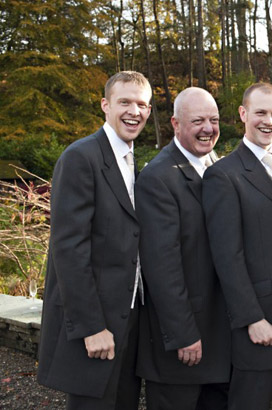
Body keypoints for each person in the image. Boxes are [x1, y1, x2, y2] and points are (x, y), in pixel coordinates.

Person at [37, 71, 151, 409]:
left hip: (129, 314)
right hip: (95, 321)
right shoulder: (81, 157)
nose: (135, 111)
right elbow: (68, 249)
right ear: (105, 105)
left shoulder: (131, 162)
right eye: (125, 102)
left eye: (142, 104)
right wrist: (91, 327)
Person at [202, 83, 272, 410]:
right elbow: (227, 255)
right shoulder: (223, 175)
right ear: (243, 114)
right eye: (260, 112)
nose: (268, 121)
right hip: (260, 318)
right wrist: (252, 317)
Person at [134, 87, 231, 410]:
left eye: (214, 120)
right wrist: (183, 334)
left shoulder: (220, 167)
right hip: (184, 344)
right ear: (176, 124)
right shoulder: (158, 178)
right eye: (198, 120)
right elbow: (162, 266)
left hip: (221, 338)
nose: (208, 128)